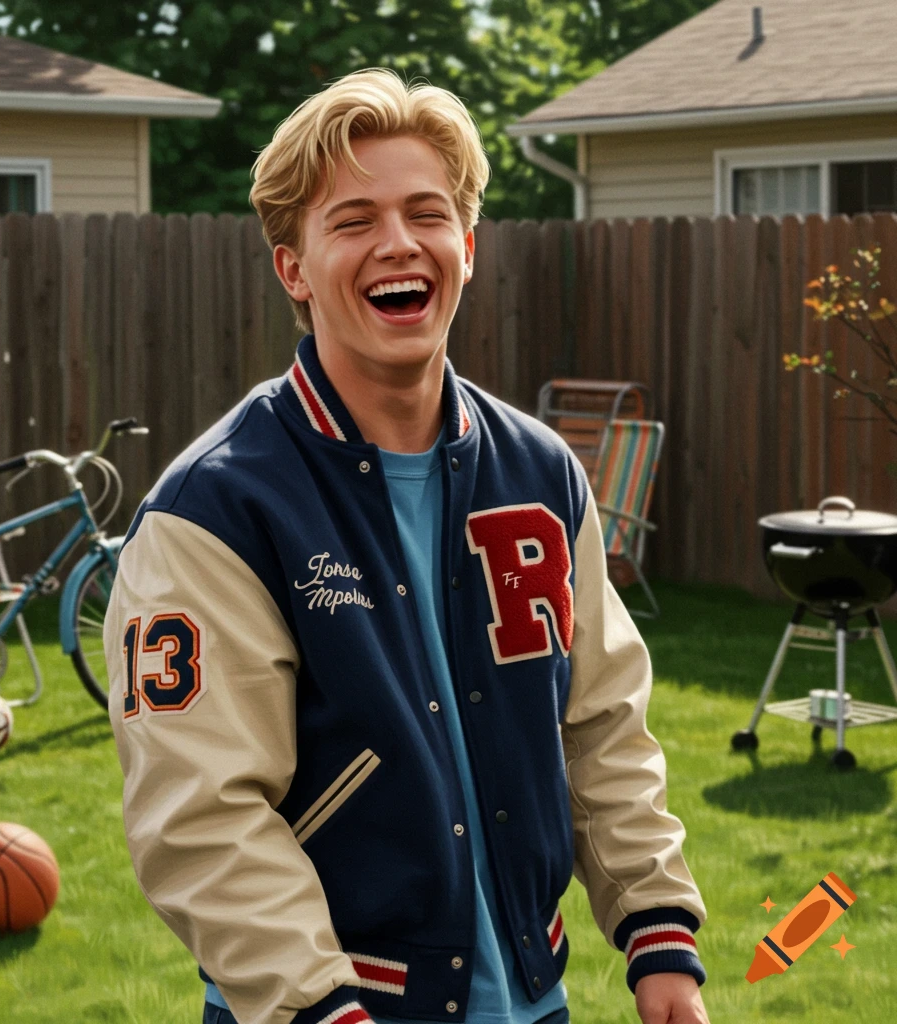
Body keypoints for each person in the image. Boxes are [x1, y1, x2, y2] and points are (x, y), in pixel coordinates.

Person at [104, 68, 710, 1024]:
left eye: (427, 213)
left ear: (466, 246)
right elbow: (204, 817)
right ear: (292, 267)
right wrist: (319, 1008)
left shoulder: (541, 476)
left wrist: (659, 933)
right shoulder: (215, 513)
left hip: (535, 1001)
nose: (399, 243)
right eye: (352, 221)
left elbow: (601, 725)